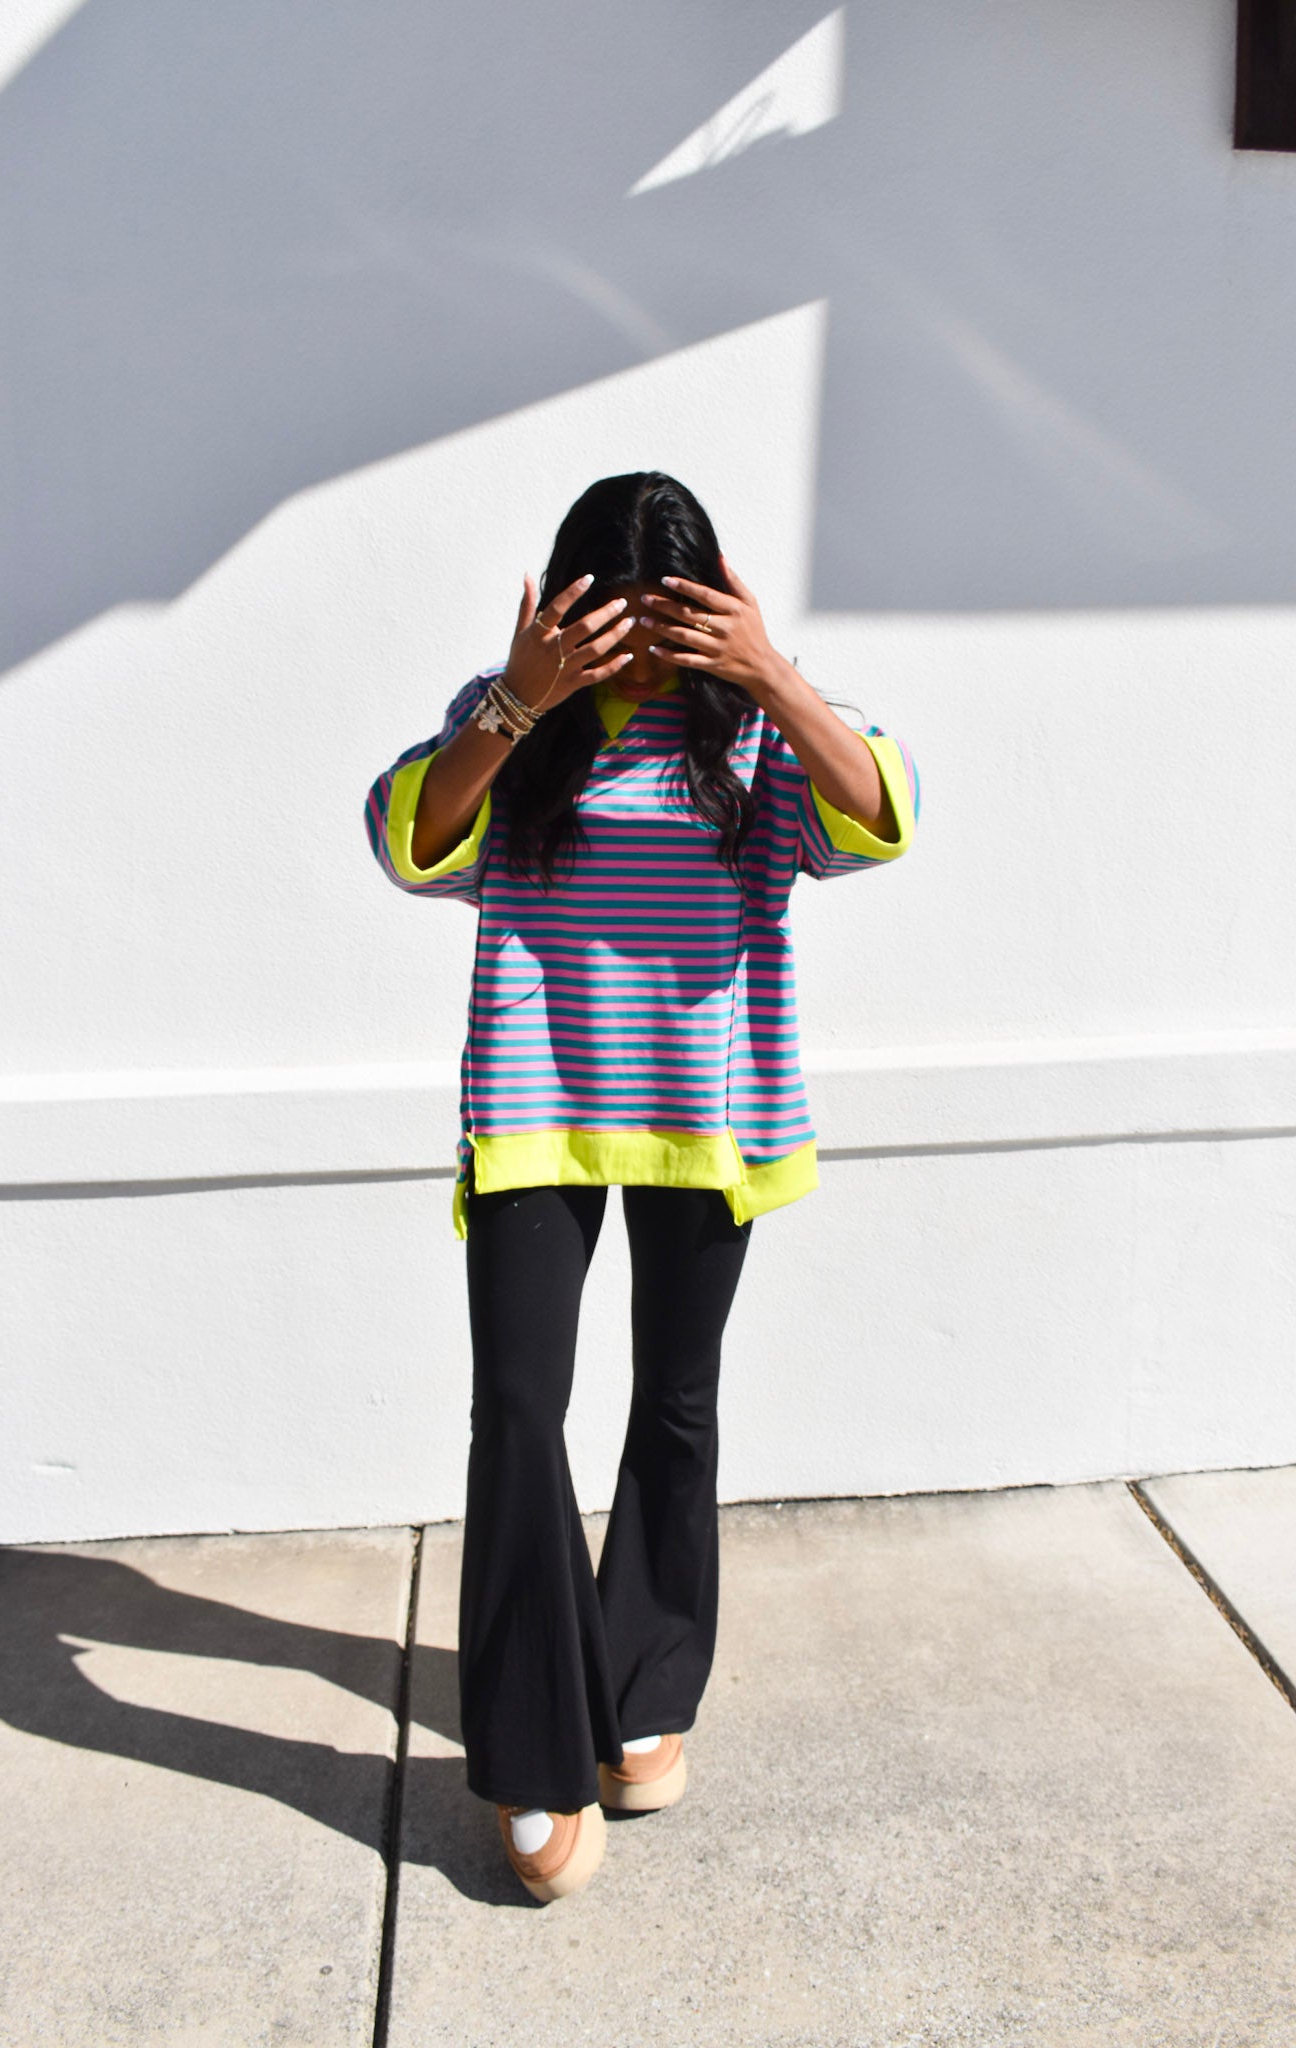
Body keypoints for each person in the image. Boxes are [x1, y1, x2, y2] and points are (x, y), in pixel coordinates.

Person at [363, 471, 920, 1902]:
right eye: (620, 624)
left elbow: (879, 819)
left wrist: (770, 670)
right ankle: (534, 1761)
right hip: (534, 1114)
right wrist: (516, 698)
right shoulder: (512, 719)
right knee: (518, 1416)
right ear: (571, 608)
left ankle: (645, 1674)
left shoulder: (754, 728)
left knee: (675, 1405)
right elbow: (409, 841)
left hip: (703, 1117)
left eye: (669, 624)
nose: (647, 656)